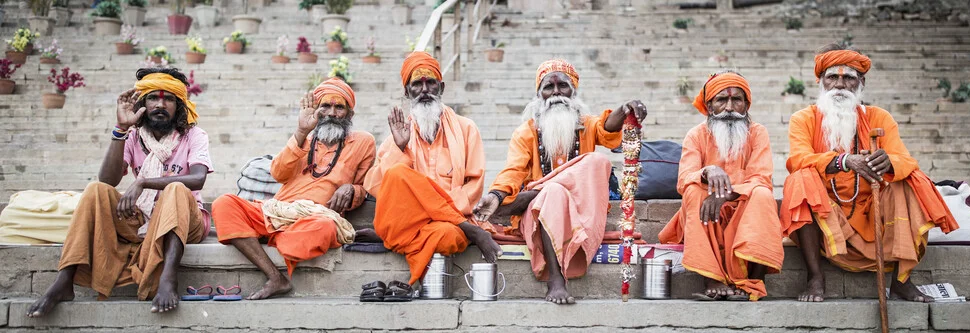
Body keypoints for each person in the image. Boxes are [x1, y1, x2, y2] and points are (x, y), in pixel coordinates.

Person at [28, 67, 212, 316]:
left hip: (186, 219)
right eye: (153, 98)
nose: (160, 104)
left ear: (179, 105)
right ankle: (64, 280)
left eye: (168, 98)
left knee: (176, 189)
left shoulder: (193, 135)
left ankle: (168, 279)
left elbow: (198, 178)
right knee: (95, 190)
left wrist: (144, 182)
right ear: (142, 103)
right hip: (143, 217)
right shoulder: (133, 136)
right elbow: (107, 179)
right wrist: (120, 129)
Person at [782, 44, 959, 302]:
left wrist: (888, 163)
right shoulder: (804, 118)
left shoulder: (880, 118)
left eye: (848, 78)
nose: (839, 85)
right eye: (832, 77)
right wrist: (843, 161)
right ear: (821, 82)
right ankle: (815, 278)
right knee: (800, 178)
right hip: (825, 213)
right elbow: (798, 159)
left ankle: (902, 280)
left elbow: (906, 160)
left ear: (860, 82)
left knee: (909, 181)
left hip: (871, 212)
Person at [471, 59, 647, 304]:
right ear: (538, 94)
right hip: (540, 213)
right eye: (548, 87)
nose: (555, 93)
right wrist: (496, 195)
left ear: (573, 91)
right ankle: (555, 280)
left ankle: (536, 192)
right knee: (552, 192)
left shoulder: (586, 124)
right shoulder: (526, 132)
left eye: (562, 86)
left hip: (580, 209)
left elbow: (608, 128)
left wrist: (624, 110)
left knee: (598, 161)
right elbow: (512, 171)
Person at [212, 78, 375, 300]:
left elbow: (365, 187)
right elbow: (278, 173)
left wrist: (350, 189)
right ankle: (275, 277)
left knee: (324, 228)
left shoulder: (363, 142)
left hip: (316, 218)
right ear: (316, 110)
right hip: (277, 211)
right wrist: (300, 132)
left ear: (349, 114)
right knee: (224, 204)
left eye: (339, 107)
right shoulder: (304, 139)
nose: (332, 112)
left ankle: (259, 237)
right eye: (325, 106)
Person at [361, 52, 501, 293]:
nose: (424, 89)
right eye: (417, 84)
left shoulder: (467, 129)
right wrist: (400, 148)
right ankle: (466, 230)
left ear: (441, 87)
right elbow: (380, 187)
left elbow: (474, 186)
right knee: (396, 173)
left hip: (448, 222)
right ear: (407, 92)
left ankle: (393, 240)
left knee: (448, 236)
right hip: (411, 220)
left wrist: (441, 213)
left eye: (430, 83)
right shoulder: (397, 136)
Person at [657, 71, 783, 301]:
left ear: (746, 105)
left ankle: (754, 281)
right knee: (694, 190)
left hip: (743, 208)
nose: (729, 107)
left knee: (763, 195)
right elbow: (684, 180)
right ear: (709, 106)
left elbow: (761, 178)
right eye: (721, 100)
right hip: (708, 211)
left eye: (737, 100)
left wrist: (727, 194)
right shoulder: (696, 135)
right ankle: (711, 278)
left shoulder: (758, 133)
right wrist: (706, 172)